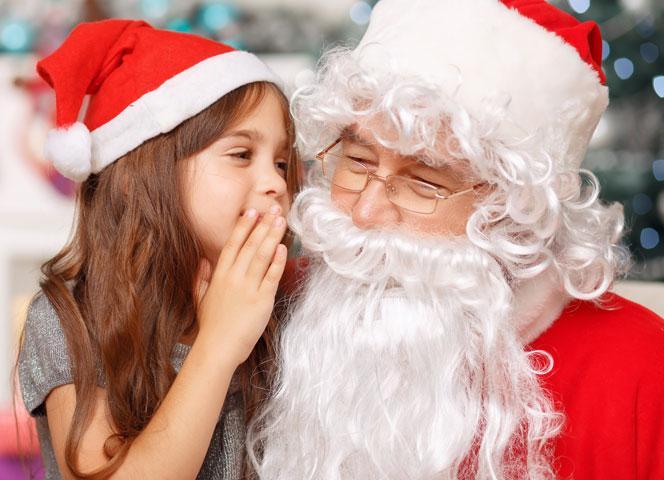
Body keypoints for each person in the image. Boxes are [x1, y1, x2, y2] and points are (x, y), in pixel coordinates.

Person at [250, 0, 664, 478]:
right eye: (357, 161)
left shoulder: (637, 372)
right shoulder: (267, 305)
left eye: (425, 182)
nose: (365, 212)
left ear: (516, 212)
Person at [16, 20, 301, 479]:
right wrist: (218, 344)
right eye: (241, 155)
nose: (275, 184)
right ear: (135, 178)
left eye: (282, 162)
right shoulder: (71, 317)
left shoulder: (287, 304)